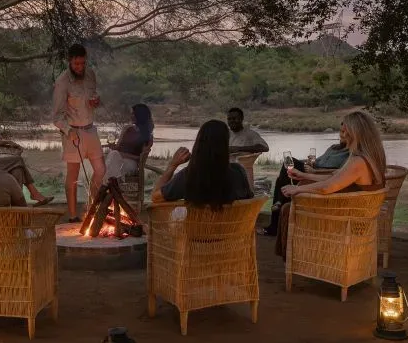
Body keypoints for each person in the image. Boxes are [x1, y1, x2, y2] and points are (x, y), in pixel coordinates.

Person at [275, 111, 387, 260]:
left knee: (288, 209)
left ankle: (296, 255)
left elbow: (327, 187)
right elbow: (334, 177)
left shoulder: (358, 161)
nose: (342, 133)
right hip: (356, 212)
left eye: (345, 129)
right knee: (288, 207)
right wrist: (304, 175)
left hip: (345, 217)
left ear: (354, 132)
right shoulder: (369, 157)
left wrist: (297, 188)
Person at [52, 43, 106, 222]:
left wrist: (96, 102)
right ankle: (73, 216)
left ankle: (91, 207)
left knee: (100, 169)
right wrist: (68, 131)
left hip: (90, 129)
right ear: (69, 61)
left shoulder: (90, 74)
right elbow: (56, 117)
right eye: (76, 64)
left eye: (82, 63)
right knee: (73, 175)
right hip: (73, 132)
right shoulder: (62, 82)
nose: (80, 67)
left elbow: (94, 97)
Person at [259, 134, 352, 236]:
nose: (341, 134)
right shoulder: (333, 147)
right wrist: (309, 163)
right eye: (341, 131)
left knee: (288, 169)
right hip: (314, 169)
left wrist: (315, 171)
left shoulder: (350, 154)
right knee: (289, 162)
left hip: (320, 176)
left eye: (344, 131)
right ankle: (279, 204)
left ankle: (278, 206)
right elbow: (318, 160)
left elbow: (339, 173)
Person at [151, 119, 254, 208]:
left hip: (196, 230)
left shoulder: (189, 176)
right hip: (232, 230)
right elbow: (248, 199)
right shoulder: (238, 172)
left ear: (199, 144)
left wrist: (172, 165)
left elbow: (155, 197)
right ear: (225, 144)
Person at [104, 104, 154, 182]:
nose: (131, 116)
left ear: (140, 115)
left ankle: (109, 187)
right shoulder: (127, 128)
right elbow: (117, 147)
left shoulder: (148, 136)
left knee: (113, 158)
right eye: (131, 114)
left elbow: (140, 158)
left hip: (131, 164)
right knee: (113, 156)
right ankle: (115, 185)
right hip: (117, 159)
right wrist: (112, 146)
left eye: (133, 114)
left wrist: (123, 155)